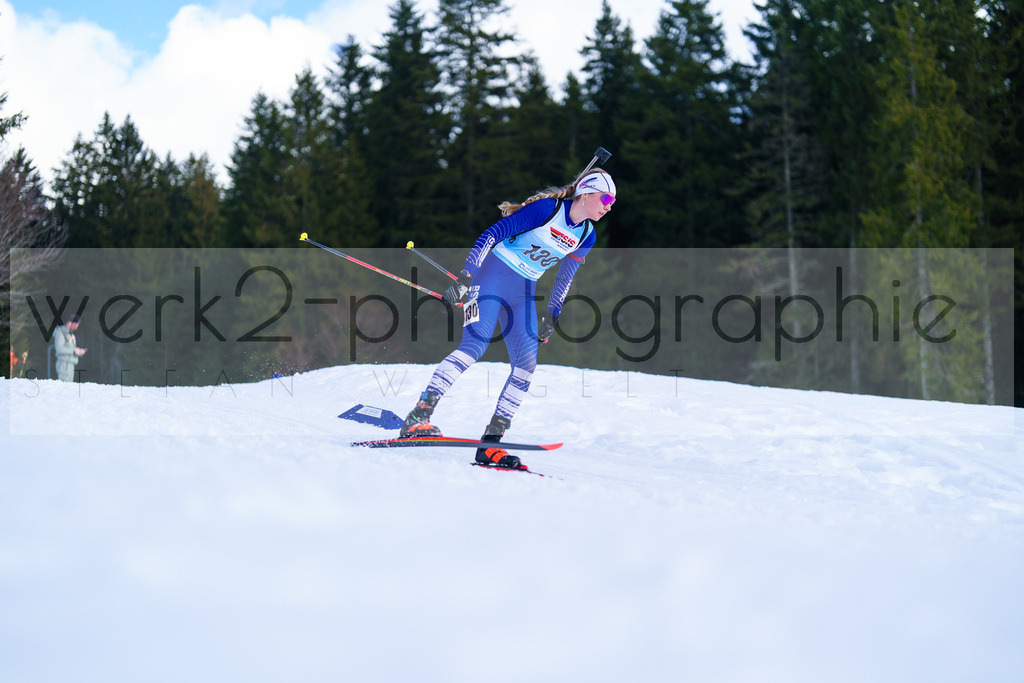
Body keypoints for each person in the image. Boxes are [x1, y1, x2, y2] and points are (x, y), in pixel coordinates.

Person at [399, 169, 617, 468]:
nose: (609, 206)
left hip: (523, 293)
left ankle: (491, 442)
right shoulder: (547, 209)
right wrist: (466, 277)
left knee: (526, 366)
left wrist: (553, 315)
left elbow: (565, 277)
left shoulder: (587, 234)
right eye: (605, 198)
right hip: (491, 278)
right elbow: (491, 234)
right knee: (474, 347)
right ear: (585, 193)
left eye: (612, 201)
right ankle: (418, 417)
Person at [54, 315, 87, 382]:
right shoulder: (61, 332)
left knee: (69, 387)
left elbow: (70, 348)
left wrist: (79, 352)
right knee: (64, 386)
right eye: (76, 325)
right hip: (64, 364)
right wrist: (74, 351)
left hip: (70, 364)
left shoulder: (70, 334)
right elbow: (59, 349)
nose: (76, 328)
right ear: (70, 323)